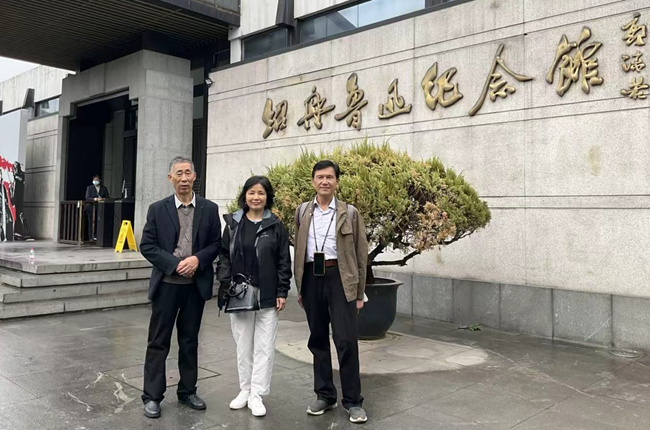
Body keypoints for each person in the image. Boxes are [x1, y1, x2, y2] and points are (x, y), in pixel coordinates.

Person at [139, 156, 222, 419]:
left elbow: (216, 244)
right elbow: (147, 245)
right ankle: (152, 396)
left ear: (194, 176)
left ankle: (187, 391)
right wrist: (175, 264)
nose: (184, 178)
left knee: (189, 341)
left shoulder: (209, 208)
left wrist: (197, 260)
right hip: (166, 285)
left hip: (194, 287)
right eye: (179, 173)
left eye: (188, 173)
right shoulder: (157, 209)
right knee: (158, 341)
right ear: (170, 178)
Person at [294, 160, 369, 424]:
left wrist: (359, 293)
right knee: (317, 339)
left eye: (329, 177)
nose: (324, 181)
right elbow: (299, 250)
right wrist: (300, 286)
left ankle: (353, 401)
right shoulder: (303, 211)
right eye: (319, 177)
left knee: (346, 340)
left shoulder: (350, 213)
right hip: (311, 279)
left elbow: (361, 254)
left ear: (337, 181)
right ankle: (325, 395)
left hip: (340, 277)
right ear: (313, 181)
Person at [217, 176, 291, 417]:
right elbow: (224, 256)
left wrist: (282, 291)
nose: (256, 197)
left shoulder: (276, 225)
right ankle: (245, 389)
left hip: (268, 294)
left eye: (261, 193)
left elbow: (283, 261)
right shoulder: (233, 223)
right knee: (243, 345)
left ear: (267, 197)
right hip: (240, 294)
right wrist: (226, 282)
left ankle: (257, 394)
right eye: (251, 192)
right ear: (245, 196)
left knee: (264, 346)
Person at [84, 174, 110, 241]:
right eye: (94, 180)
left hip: (100, 208)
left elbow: (108, 197)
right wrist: (95, 199)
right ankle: (91, 237)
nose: (95, 181)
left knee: (99, 222)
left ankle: (97, 236)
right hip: (91, 208)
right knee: (90, 222)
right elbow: (87, 198)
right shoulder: (89, 188)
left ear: (100, 180)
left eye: (97, 180)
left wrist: (103, 199)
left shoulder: (104, 188)